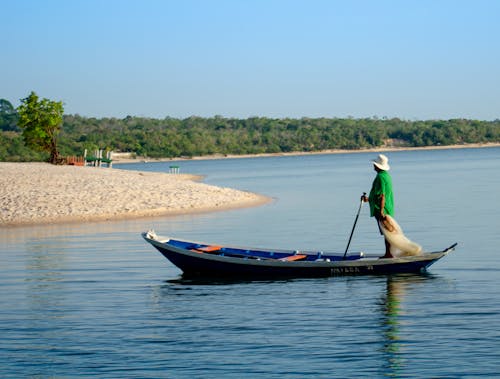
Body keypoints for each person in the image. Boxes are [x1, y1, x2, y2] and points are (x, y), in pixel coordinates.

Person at [362, 154, 395, 258]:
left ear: (378, 166)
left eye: (374, 164)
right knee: (387, 232)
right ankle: (389, 253)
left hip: (382, 209)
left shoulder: (380, 177)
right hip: (386, 207)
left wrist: (381, 211)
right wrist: (368, 199)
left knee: (387, 232)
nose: (373, 166)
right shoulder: (385, 175)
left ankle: (389, 254)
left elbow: (382, 196)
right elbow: (378, 195)